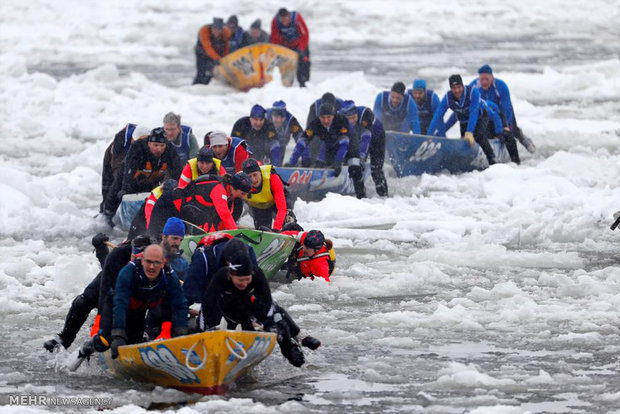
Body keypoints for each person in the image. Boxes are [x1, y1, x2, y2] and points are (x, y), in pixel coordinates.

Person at [199, 248, 320, 367]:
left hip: (253, 303)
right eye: (240, 280)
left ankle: (293, 343)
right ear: (230, 275)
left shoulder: (258, 274)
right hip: (231, 308)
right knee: (240, 324)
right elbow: (207, 306)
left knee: (278, 320)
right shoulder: (220, 277)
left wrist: (270, 326)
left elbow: (268, 304)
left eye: (247, 279)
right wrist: (203, 333)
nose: (244, 283)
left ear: (251, 274)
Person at [108, 244, 188, 359]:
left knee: (135, 338)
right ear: (142, 261)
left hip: (139, 312)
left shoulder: (170, 276)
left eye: (156, 263)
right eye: (149, 262)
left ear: (163, 263)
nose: (151, 267)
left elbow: (180, 304)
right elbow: (120, 304)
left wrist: (181, 332)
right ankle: (89, 347)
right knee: (103, 341)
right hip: (118, 309)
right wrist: (118, 334)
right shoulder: (127, 272)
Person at [102, 127, 182, 227]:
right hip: (130, 176)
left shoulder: (170, 149)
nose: (159, 149)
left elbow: (178, 172)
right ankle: (106, 216)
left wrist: (177, 188)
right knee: (115, 193)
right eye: (155, 145)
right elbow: (129, 171)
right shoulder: (137, 147)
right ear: (149, 143)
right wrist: (125, 189)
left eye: (162, 145)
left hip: (152, 179)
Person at [286, 104, 365, 198]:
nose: (326, 120)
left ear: (333, 116)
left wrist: (338, 162)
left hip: (350, 145)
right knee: (320, 165)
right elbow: (302, 143)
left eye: (329, 117)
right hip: (331, 145)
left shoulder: (341, 121)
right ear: (319, 117)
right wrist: (292, 162)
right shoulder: (315, 123)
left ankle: (361, 196)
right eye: (323, 117)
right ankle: (318, 194)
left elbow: (344, 144)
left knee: (354, 168)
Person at [148, 173, 251, 236]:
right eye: (242, 193)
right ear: (234, 187)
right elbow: (224, 215)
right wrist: (237, 237)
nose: (242, 197)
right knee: (154, 238)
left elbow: (220, 223)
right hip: (168, 204)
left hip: (183, 212)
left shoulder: (229, 197)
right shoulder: (219, 189)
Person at [427, 74, 497, 165]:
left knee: (478, 135)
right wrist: (429, 135)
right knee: (464, 141)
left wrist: (469, 132)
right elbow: (437, 117)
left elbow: (473, 112)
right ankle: (467, 161)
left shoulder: (472, 92)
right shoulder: (448, 98)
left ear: (462, 86)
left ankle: (491, 158)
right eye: (453, 88)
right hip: (463, 120)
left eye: (459, 87)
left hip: (480, 116)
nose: (456, 90)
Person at [470, 64, 536, 153]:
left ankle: (523, 138)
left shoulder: (500, 86)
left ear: (492, 77)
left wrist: (507, 126)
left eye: (487, 79)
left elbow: (507, 107)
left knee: (512, 130)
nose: (484, 82)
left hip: (502, 113)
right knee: (486, 132)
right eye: (482, 79)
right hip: (486, 114)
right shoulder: (474, 86)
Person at [339, 100, 388, 197]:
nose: (352, 120)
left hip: (376, 138)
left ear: (357, 113)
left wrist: (361, 157)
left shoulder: (365, 116)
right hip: (358, 137)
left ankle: (384, 196)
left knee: (375, 169)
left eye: (354, 117)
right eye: (349, 119)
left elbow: (366, 138)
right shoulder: (338, 117)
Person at [100, 124, 150, 213]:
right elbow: (118, 169)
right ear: (132, 140)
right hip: (112, 160)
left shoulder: (152, 143)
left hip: (135, 161)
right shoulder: (121, 143)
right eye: (138, 142)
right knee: (111, 187)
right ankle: (106, 213)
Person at [243, 158, 292, 231]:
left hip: (278, 202)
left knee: (289, 223)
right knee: (262, 231)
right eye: (249, 177)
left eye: (255, 175)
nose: (253, 180)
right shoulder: (240, 183)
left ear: (260, 172)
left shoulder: (273, 178)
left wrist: (276, 228)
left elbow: (282, 209)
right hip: (260, 206)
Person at [270, 8, 310, 87]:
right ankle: (285, 83)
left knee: (303, 61)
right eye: (282, 20)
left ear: (289, 16)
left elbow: (305, 34)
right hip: (286, 45)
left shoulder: (297, 18)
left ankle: (304, 83)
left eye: (286, 19)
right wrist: (278, 51)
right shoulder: (275, 22)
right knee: (282, 62)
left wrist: (301, 49)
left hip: (299, 43)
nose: (284, 22)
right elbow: (274, 38)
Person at [193, 17, 231, 85]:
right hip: (202, 53)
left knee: (211, 74)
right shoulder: (204, 31)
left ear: (222, 30)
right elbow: (207, 47)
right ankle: (195, 87)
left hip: (216, 53)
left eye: (219, 29)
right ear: (212, 28)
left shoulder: (226, 33)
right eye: (214, 29)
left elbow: (226, 47)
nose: (216, 31)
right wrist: (218, 59)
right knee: (201, 72)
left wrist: (224, 59)